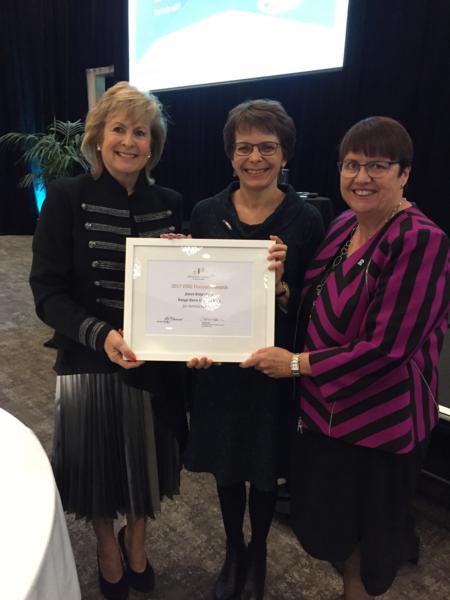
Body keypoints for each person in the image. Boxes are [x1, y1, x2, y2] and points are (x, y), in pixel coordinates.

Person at [242, 116, 450, 599]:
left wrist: (294, 364)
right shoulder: (343, 226)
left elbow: (387, 348)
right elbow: (313, 305)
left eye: (377, 165)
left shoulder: (419, 239)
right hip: (325, 418)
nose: (362, 176)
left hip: (379, 428)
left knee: (369, 538)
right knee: (331, 530)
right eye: (352, 164)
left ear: (404, 173)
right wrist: (282, 287)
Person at [29, 81, 187, 600]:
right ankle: (105, 544)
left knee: (148, 465)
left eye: (140, 131)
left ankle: (136, 538)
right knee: (97, 470)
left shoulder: (170, 202)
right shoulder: (66, 198)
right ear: (98, 138)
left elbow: (187, 289)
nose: (129, 140)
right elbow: (47, 292)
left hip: (156, 364)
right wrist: (102, 336)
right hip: (88, 357)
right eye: (118, 129)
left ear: (152, 144)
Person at [184, 99, 324, 600]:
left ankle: (258, 548)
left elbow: (313, 308)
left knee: (265, 468)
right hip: (219, 368)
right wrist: (189, 339)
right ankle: (232, 548)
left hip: (272, 368)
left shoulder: (307, 219)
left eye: (267, 147)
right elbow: (196, 292)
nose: (255, 158)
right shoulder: (206, 212)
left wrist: (283, 290)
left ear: (285, 154)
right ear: (230, 155)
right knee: (226, 463)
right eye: (244, 147)